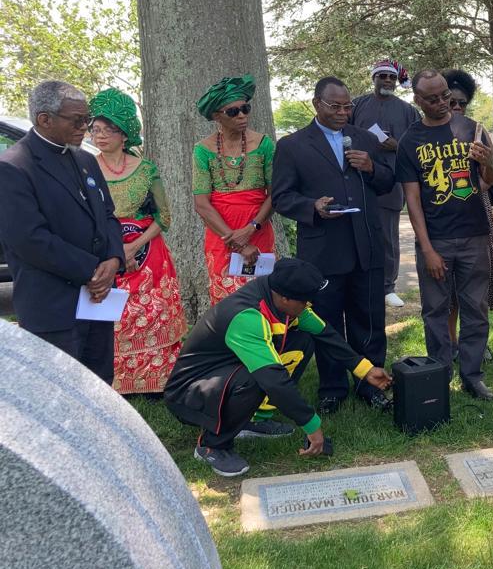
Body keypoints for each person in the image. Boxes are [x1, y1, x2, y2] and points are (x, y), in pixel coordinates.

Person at [165, 257, 392, 477]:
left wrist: (365, 370)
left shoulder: (278, 297)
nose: (308, 305)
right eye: (304, 301)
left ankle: (253, 421)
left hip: (225, 372)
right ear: (285, 298)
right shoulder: (248, 317)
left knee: (303, 340)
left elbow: (325, 334)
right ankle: (211, 445)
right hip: (189, 393)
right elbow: (274, 381)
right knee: (258, 378)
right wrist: (312, 425)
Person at [272, 77, 396, 415]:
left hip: (366, 246)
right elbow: (281, 197)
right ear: (317, 104)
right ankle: (332, 388)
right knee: (326, 322)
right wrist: (312, 207)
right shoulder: (293, 145)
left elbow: (387, 182)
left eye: (347, 106)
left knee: (369, 320)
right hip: (323, 251)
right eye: (335, 106)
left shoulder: (365, 139)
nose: (343, 112)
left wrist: (371, 167)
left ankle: (370, 384)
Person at [0, 81, 124, 382]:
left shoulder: (85, 160)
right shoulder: (13, 166)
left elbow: (108, 215)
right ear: (45, 119)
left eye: (87, 119)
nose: (86, 128)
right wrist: (92, 270)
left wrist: (113, 259)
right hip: (52, 305)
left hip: (96, 301)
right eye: (77, 120)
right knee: (60, 391)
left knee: (99, 386)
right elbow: (29, 239)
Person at [397, 69, 493, 400]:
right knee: (435, 311)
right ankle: (439, 375)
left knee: (475, 308)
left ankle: (472, 376)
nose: (443, 103)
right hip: (436, 239)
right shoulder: (410, 141)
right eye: (433, 99)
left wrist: (489, 163)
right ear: (418, 100)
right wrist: (426, 249)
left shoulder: (472, 130)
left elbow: (487, 182)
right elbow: (412, 199)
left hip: (474, 235)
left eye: (446, 96)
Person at [88, 88, 188, 395]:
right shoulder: (85, 168)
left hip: (149, 254)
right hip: (104, 254)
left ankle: (157, 382)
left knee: (152, 314)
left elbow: (164, 216)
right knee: (113, 317)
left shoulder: (146, 170)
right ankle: (114, 383)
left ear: (124, 133)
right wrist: (116, 251)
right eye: (95, 129)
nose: (99, 135)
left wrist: (134, 246)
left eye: (108, 129)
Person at [192, 75, 275, 306]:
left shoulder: (264, 144)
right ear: (216, 116)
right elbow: (201, 204)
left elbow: (274, 194)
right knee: (226, 302)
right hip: (222, 235)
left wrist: (251, 228)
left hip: (258, 231)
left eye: (245, 109)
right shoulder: (202, 150)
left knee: (261, 298)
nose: (241, 115)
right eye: (233, 111)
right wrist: (238, 242)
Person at [443, 69, 493, 358]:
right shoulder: (428, 132)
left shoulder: (478, 131)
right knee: (448, 289)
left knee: (476, 285)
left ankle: (477, 344)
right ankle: (451, 343)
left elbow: (491, 176)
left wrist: (486, 166)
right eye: (451, 102)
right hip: (442, 217)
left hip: (476, 211)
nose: (456, 107)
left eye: (461, 103)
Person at [351, 59, 420, 308]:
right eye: (382, 76)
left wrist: (396, 145)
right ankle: (360, 283)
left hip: (391, 182)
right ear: (374, 78)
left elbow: (417, 147)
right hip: (357, 179)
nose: (387, 81)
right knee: (356, 233)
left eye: (391, 77)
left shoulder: (407, 110)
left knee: (387, 236)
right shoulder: (357, 105)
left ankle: (387, 287)